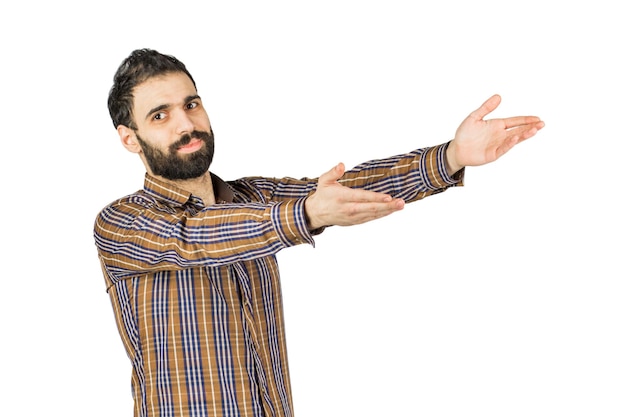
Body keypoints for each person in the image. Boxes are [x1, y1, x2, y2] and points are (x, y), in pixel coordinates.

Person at [94, 48, 544, 417]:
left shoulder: (251, 197)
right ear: (129, 138)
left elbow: (345, 193)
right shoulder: (121, 223)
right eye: (160, 115)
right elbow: (196, 237)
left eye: (191, 104)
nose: (186, 124)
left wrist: (451, 156)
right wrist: (304, 215)